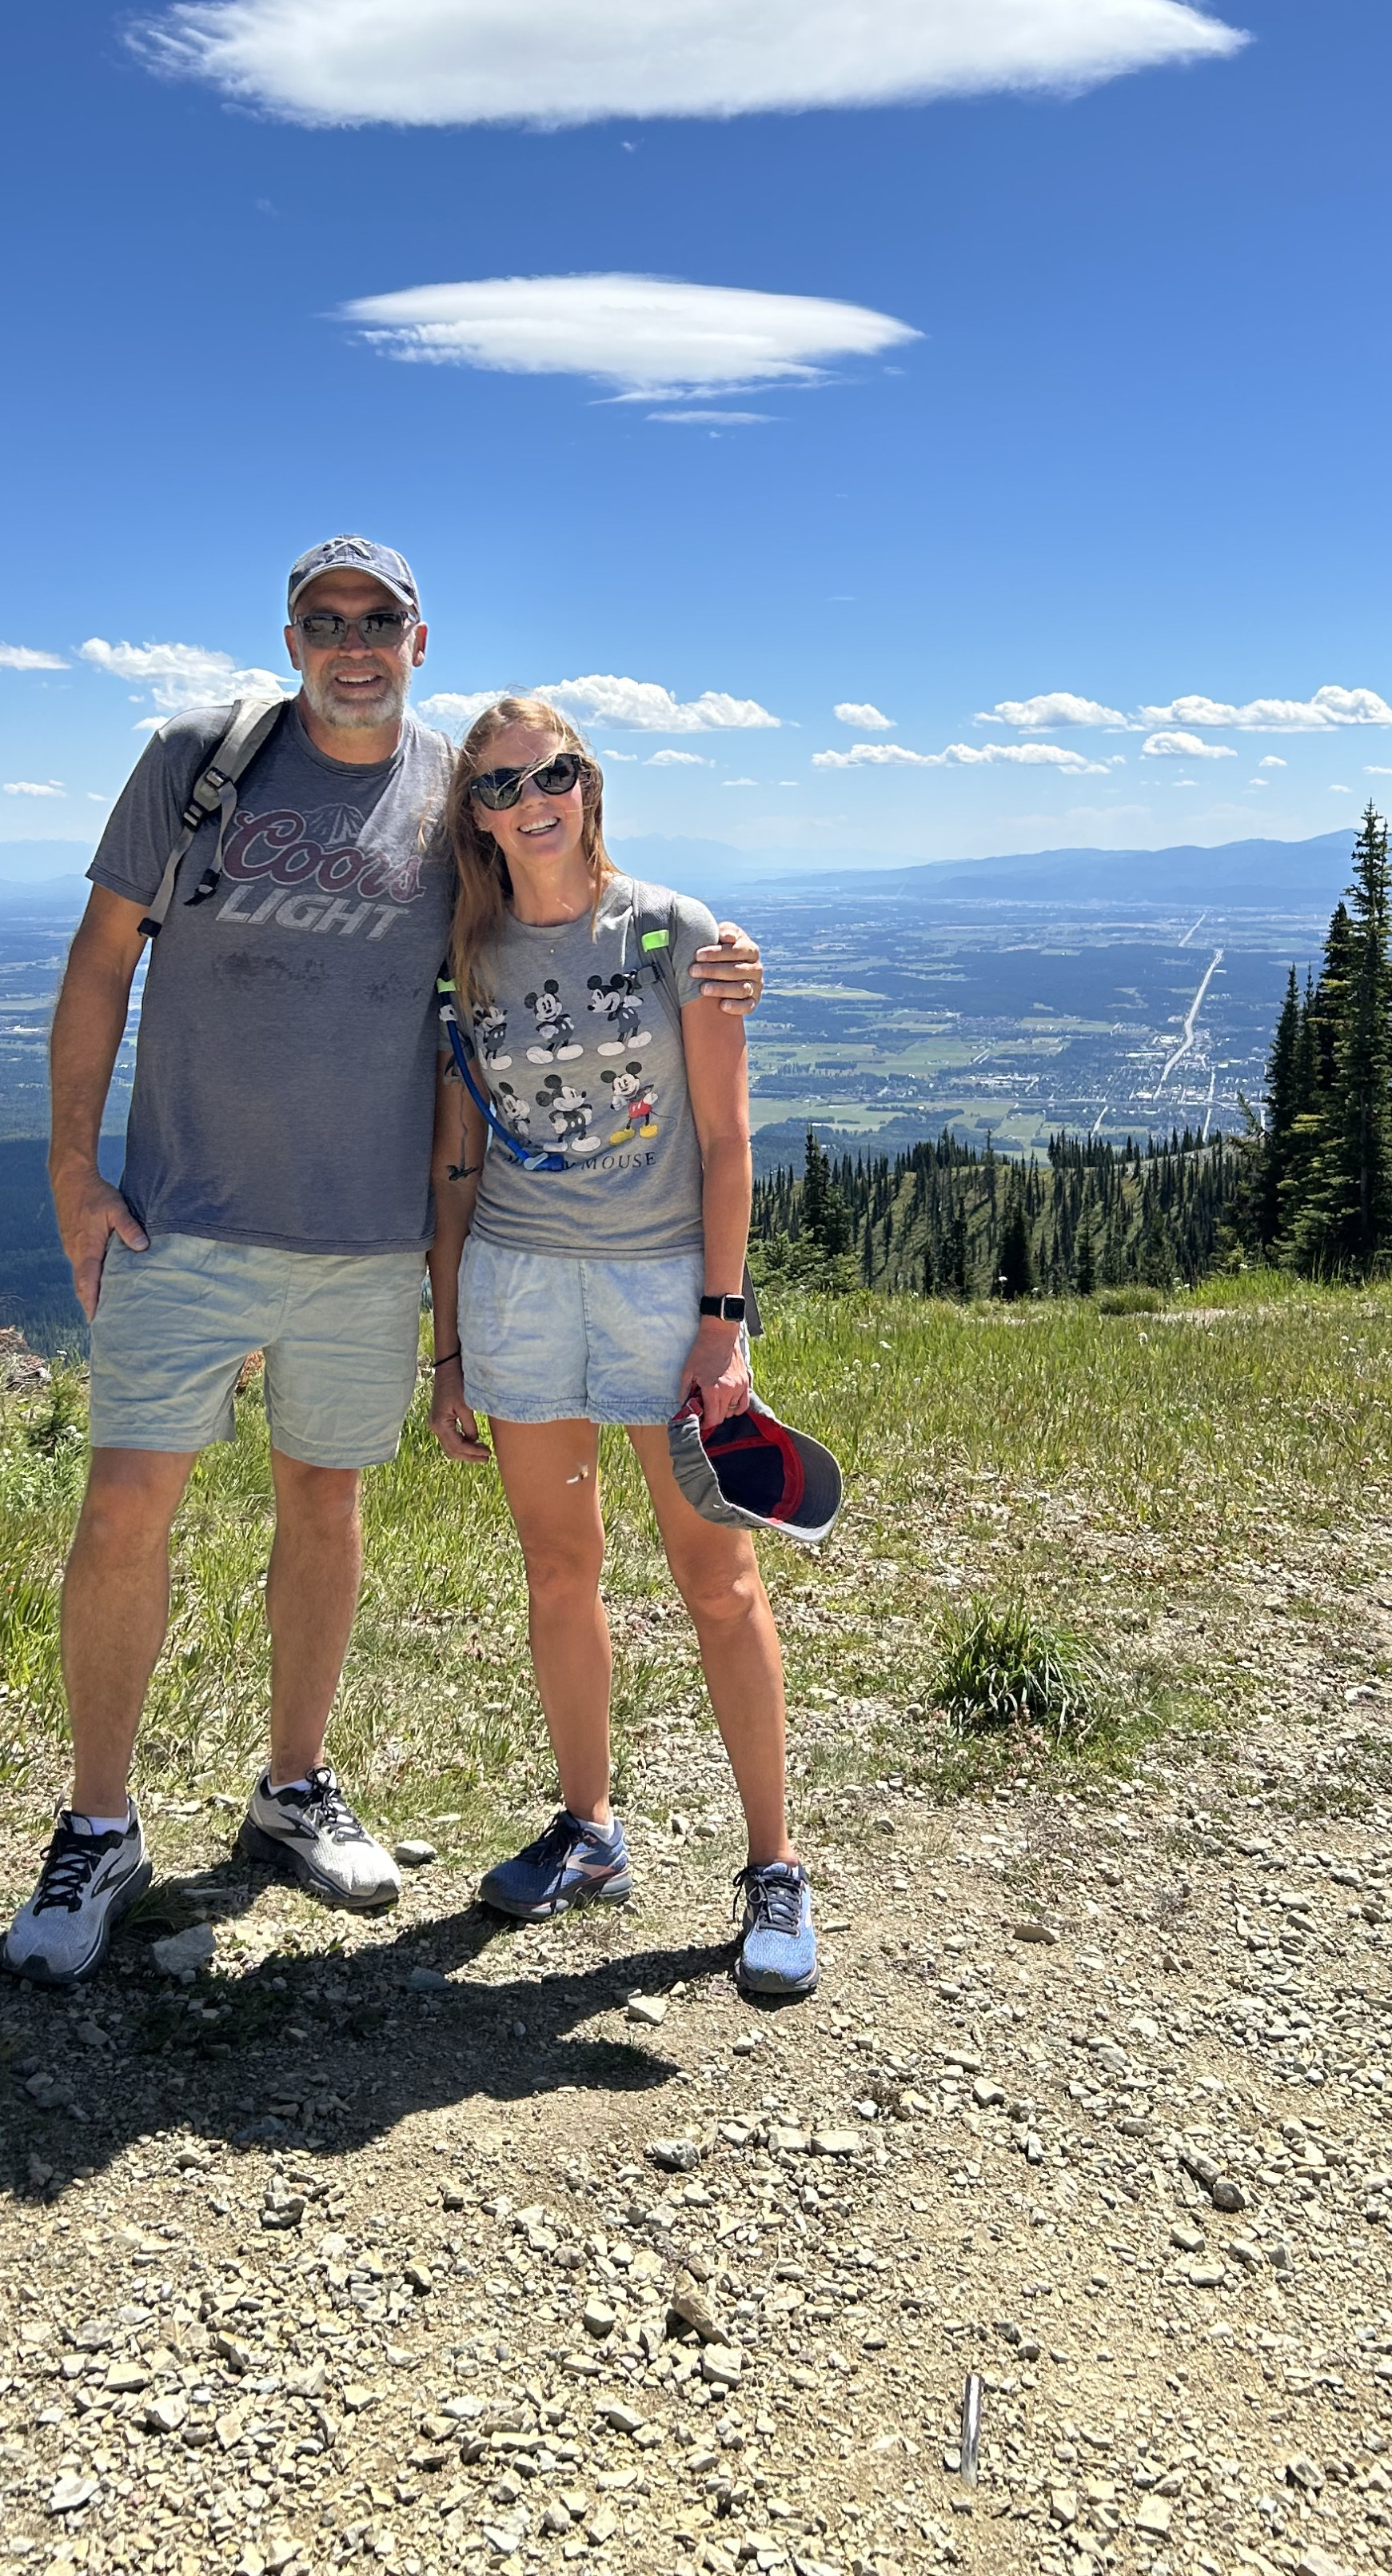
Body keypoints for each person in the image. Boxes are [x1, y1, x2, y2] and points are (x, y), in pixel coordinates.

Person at [6, 539, 764, 1987]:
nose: (352, 643)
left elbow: (552, 921)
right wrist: (71, 1168)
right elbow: (101, 958)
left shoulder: (448, 800)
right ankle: (98, 1825)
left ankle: (293, 1787)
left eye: (378, 621)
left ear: (420, 640)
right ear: (290, 638)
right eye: (324, 620)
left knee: (326, 1507)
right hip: (181, 1210)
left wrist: (716, 959)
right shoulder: (197, 762)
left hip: (363, 1240)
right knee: (122, 1512)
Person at [427, 696, 818, 2000]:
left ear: (590, 782)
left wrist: (723, 1324)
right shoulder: (463, 953)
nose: (532, 800)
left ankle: (774, 1865)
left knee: (720, 1581)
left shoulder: (672, 933)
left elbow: (726, 1139)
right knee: (558, 1569)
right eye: (499, 787)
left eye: (554, 772)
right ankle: (591, 1831)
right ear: (475, 818)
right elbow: (457, 1159)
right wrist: (448, 1345)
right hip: (519, 1285)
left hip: (661, 1290)